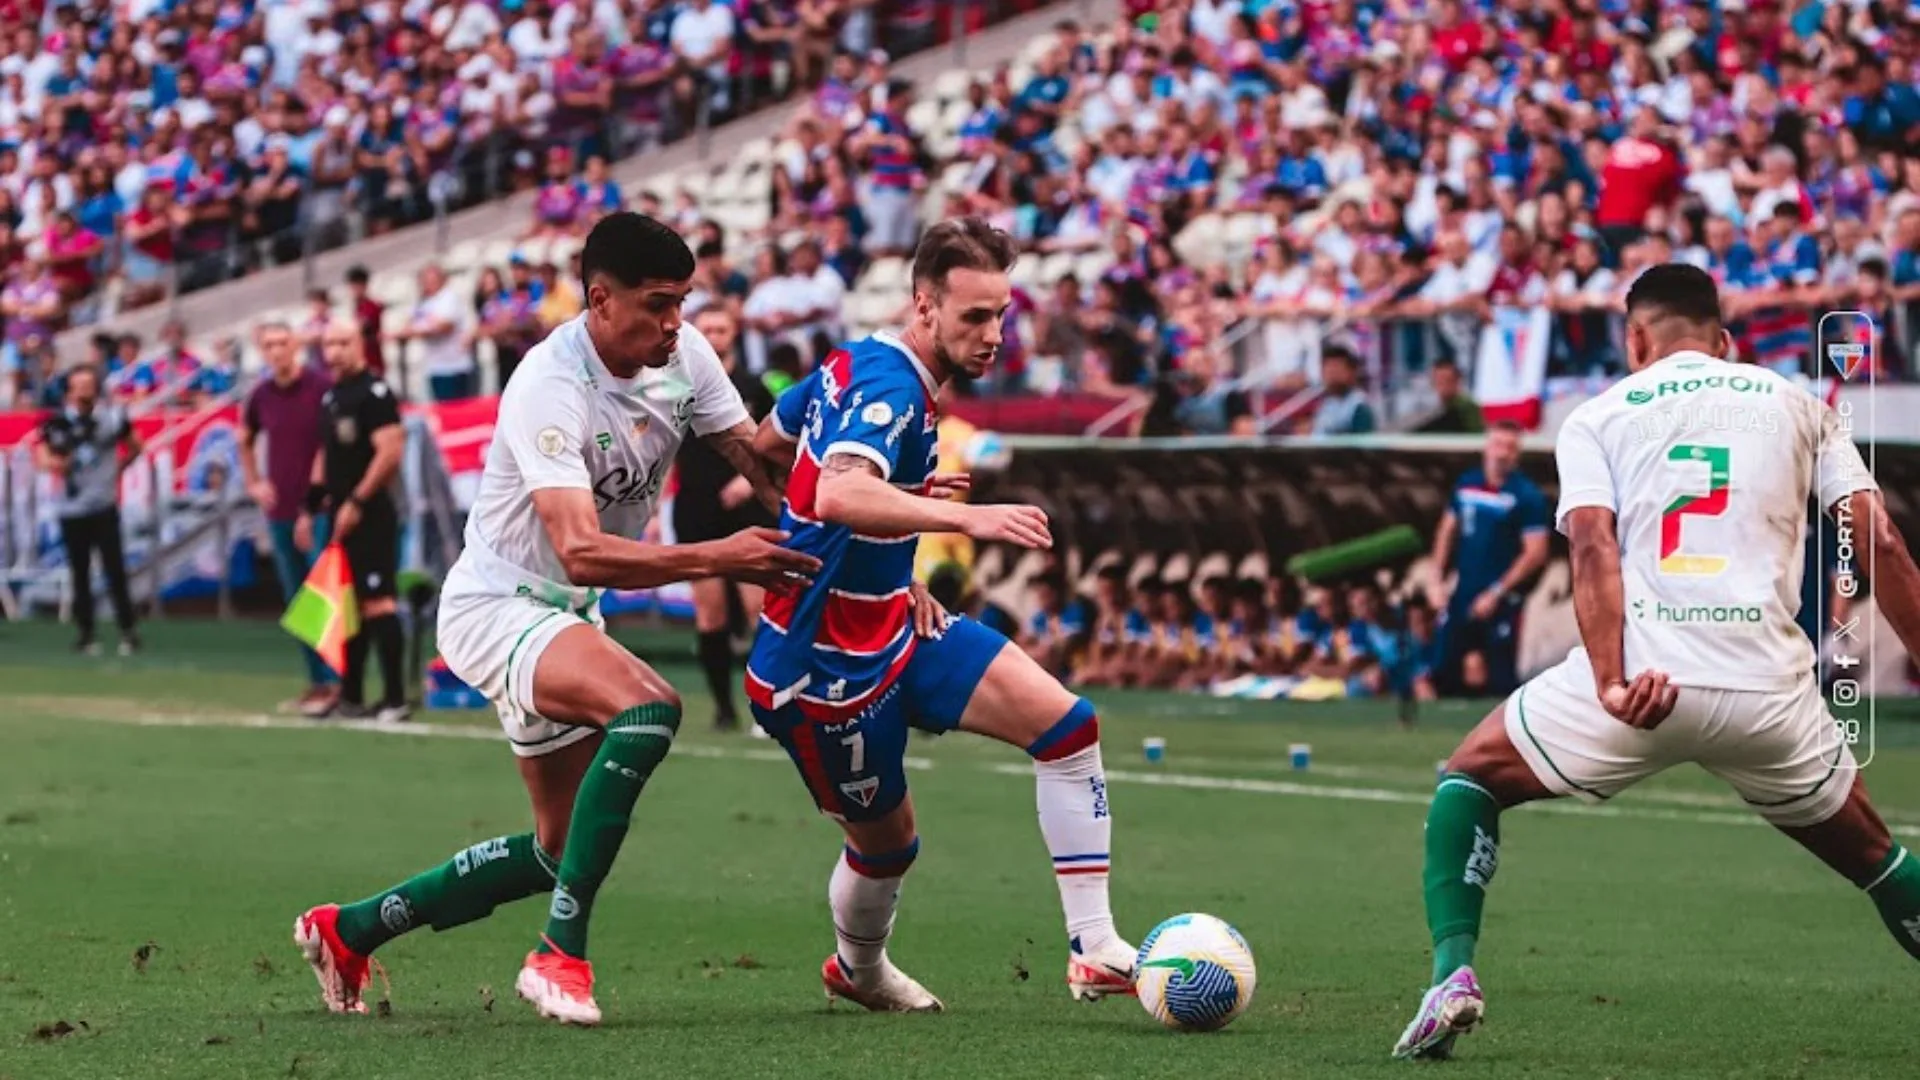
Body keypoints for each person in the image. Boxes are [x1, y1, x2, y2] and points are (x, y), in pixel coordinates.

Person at [293, 213, 817, 1027]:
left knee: (554, 849)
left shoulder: (685, 357)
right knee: (648, 709)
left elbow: (762, 466)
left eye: (682, 300)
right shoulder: (549, 382)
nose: (674, 321)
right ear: (599, 300)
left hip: (564, 616)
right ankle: (559, 955)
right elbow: (582, 550)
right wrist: (722, 557)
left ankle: (350, 929)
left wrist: (874, 518)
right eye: (656, 304)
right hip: (498, 605)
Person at [1393, 264, 1920, 1059]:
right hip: (1769, 695)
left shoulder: (1598, 416)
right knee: (1880, 860)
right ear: (1727, 339)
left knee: (1469, 780)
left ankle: (1451, 978)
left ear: (1634, 339)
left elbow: (1594, 546)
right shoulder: (1800, 406)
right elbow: (1878, 542)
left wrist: (1609, 680)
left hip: (1644, 684)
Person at [745, 218, 1137, 1012]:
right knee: (888, 850)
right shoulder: (892, 388)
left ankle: (1095, 947)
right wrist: (963, 519)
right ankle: (861, 971)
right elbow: (838, 491)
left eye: (1001, 315)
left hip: (894, 622)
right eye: (974, 317)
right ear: (923, 307)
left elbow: (768, 443)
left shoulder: (857, 359)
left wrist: (889, 545)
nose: (994, 335)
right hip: (822, 672)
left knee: (1067, 728)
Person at [296, 319, 409, 723]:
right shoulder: (332, 397)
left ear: (359, 345)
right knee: (349, 606)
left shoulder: (375, 393)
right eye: (329, 344)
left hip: (372, 514)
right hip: (341, 514)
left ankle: (396, 698)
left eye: (343, 342)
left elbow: (390, 451)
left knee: (379, 603)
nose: (335, 351)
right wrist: (310, 507)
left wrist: (358, 501)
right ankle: (351, 695)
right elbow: (325, 456)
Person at [670, 306, 777, 732]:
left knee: (760, 611)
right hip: (696, 508)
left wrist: (750, 484)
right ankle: (723, 708)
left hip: (746, 510)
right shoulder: (677, 386)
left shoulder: (756, 386)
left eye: (722, 328)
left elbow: (776, 445)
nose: (714, 336)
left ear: (735, 334)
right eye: (707, 329)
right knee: (709, 615)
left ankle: (765, 706)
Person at [242, 320, 336, 714]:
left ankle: (335, 682)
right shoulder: (260, 395)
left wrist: (312, 504)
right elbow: (244, 438)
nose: (277, 351)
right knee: (296, 598)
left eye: (283, 342)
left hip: (315, 507)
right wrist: (254, 481)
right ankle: (316, 681)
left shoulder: (320, 388)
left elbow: (328, 445)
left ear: (296, 344)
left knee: (322, 596)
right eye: (269, 345)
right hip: (279, 509)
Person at [1426, 421, 1548, 698]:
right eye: (1497, 445)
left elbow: (1535, 552)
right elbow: (1446, 531)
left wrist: (1497, 591)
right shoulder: (1467, 484)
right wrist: (1436, 579)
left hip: (1502, 598)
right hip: (1463, 589)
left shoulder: (1526, 496)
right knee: (1445, 669)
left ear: (1517, 454)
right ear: (1486, 447)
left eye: (1510, 447)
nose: (1502, 453)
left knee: (1499, 678)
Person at [35, 364, 141, 655]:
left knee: (115, 569)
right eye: (79, 385)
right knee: (79, 572)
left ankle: (127, 630)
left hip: (103, 504)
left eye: (89, 384)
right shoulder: (57, 423)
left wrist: (119, 468)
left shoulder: (111, 418)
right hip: (72, 507)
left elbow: (135, 445)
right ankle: (86, 633)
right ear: (69, 390)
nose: (85, 390)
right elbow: (41, 455)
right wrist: (55, 464)